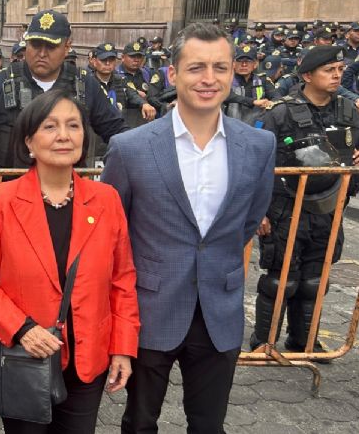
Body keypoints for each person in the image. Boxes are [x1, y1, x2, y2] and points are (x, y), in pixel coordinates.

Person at [101, 23, 276, 433]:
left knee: (209, 424)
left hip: (220, 307)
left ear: (233, 73)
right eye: (197, 67)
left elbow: (249, 218)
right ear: (173, 74)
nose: (209, 79)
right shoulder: (131, 148)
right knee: (140, 421)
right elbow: (114, 229)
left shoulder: (257, 146)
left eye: (220, 67)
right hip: (152, 307)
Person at [0, 90, 140, 433]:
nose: (63, 135)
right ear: (28, 141)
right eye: (50, 126)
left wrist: (123, 348)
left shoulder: (106, 200)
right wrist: (22, 328)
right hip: (23, 356)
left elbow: (122, 279)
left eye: (73, 126)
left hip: (88, 357)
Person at [249, 45, 359, 356]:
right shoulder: (281, 112)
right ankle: (265, 341)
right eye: (329, 70)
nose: (337, 75)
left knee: (315, 280)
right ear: (306, 76)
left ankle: (304, 340)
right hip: (286, 208)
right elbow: (257, 162)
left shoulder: (347, 111)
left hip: (329, 209)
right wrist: (259, 211)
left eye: (340, 70)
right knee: (282, 279)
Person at [0, 10, 127, 168]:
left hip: (68, 190)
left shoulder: (85, 85)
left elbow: (117, 131)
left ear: (67, 47)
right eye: (35, 45)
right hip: (10, 187)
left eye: (50, 47)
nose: (41, 53)